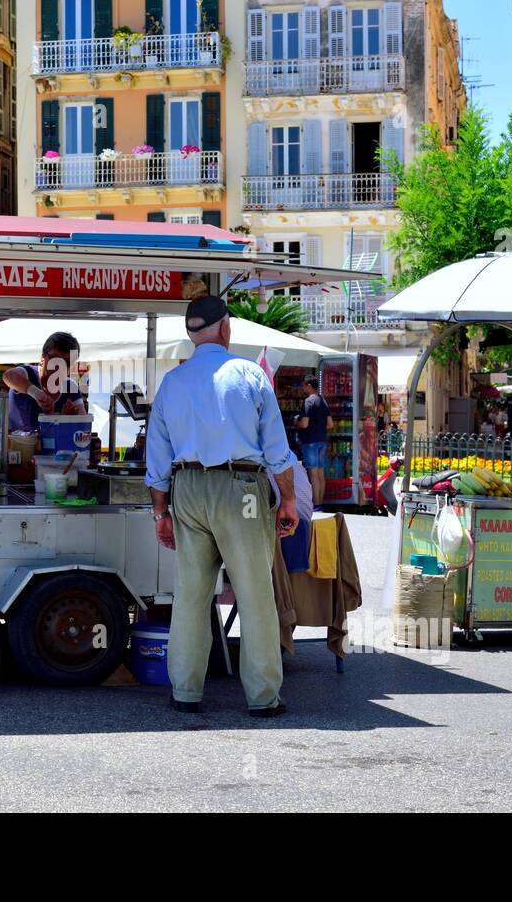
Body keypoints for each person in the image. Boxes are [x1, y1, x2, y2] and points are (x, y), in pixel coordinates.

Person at [145, 295, 298, 717]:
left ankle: (185, 692)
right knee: (253, 593)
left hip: (187, 488)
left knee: (191, 596)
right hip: (242, 489)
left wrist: (160, 512)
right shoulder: (249, 375)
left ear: (192, 335)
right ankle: (263, 697)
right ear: (226, 328)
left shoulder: (172, 382)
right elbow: (277, 450)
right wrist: (287, 499)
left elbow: (156, 456)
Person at [2, 331, 86, 434]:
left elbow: (83, 424)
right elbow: (8, 375)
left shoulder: (70, 386)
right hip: (19, 447)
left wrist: (68, 419)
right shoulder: (28, 374)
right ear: (42, 358)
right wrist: (36, 393)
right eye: (55, 359)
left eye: (67, 362)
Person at [295, 375, 330, 508]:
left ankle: (315, 505)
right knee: (320, 474)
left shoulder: (308, 402)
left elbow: (304, 423)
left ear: (309, 386)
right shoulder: (323, 401)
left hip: (310, 441)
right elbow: (330, 423)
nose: (302, 388)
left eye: (304, 385)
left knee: (313, 474)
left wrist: (297, 421)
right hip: (322, 439)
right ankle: (320, 503)